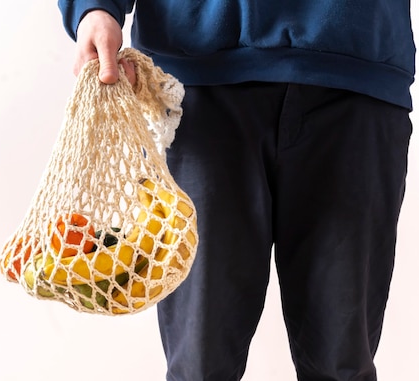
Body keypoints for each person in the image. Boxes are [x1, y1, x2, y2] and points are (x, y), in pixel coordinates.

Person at [57, 1, 415, 380]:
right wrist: (95, 8)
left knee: (342, 365)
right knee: (200, 365)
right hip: (194, 87)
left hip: (357, 74)